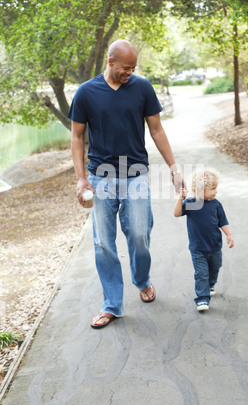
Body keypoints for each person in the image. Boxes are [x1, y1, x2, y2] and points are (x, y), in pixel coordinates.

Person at [68, 39, 183, 328]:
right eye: (125, 68)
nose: (129, 73)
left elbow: (156, 129)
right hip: (100, 177)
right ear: (110, 62)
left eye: (133, 68)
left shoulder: (142, 87)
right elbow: (77, 138)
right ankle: (111, 304)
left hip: (136, 176)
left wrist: (174, 168)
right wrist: (81, 178)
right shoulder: (86, 92)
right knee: (103, 243)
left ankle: (141, 279)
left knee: (140, 235)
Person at [174, 168, 234, 311]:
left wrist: (229, 235)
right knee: (201, 274)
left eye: (216, 188)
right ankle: (202, 299)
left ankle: (211, 284)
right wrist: (180, 199)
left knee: (215, 268)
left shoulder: (216, 204)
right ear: (200, 189)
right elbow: (177, 213)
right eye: (213, 188)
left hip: (215, 247)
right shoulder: (191, 203)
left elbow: (223, 222)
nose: (216, 191)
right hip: (198, 248)